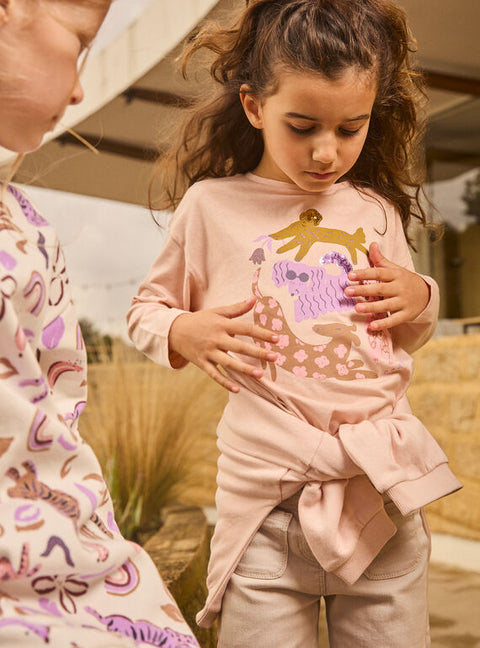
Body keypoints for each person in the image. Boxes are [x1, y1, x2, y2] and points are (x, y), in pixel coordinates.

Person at [127, 1, 462, 646]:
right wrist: (183, 331)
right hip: (267, 507)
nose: (326, 151)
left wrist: (419, 295)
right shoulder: (210, 207)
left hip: (380, 490)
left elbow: (410, 329)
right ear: (254, 106)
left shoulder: (373, 208)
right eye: (302, 125)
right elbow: (145, 310)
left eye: (351, 127)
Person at [0, 1, 200, 646]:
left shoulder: (28, 226)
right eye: (81, 40)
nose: (82, 86)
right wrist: (180, 331)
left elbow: (60, 408)